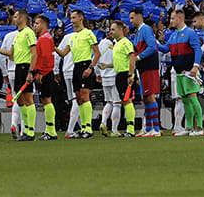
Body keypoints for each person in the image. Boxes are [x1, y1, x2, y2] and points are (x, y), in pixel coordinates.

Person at [0, 9, 36, 140]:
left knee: (28, 99)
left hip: (26, 67)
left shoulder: (28, 33)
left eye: (15, 16)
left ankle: (30, 131)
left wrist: (31, 71)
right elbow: (10, 53)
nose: (13, 19)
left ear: (22, 18)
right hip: (18, 68)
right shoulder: (18, 35)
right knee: (20, 100)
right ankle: (26, 130)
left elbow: (34, 53)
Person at [54, 8, 99, 138]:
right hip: (76, 67)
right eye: (71, 18)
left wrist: (91, 68)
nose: (72, 20)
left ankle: (88, 128)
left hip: (85, 65)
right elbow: (63, 53)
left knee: (85, 97)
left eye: (74, 18)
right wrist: (53, 47)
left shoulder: (88, 33)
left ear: (81, 18)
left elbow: (97, 53)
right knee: (79, 99)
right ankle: (84, 127)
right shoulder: (72, 37)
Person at [160, 9, 204, 136]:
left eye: (173, 18)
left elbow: (198, 50)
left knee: (192, 98)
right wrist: (153, 43)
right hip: (179, 72)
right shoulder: (173, 35)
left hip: (189, 72)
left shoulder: (190, 33)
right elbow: (165, 49)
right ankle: (189, 128)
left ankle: (199, 128)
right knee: (185, 100)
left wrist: (195, 67)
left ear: (180, 19)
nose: (171, 21)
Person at [129, 8, 162, 137]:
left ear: (139, 17)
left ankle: (156, 128)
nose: (131, 21)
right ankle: (149, 128)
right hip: (142, 68)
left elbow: (152, 47)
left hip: (149, 66)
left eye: (132, 18)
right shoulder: (138, 32)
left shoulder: (146, 29)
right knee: (145, 97)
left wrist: (138, 57)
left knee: (150, 96)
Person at [30, 15, 59, 140]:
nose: (35, 26)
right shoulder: (45, 38)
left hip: (45, 73)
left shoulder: (44, 39)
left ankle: (51, 130)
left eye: (37, 23)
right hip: (45, 72)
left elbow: (46, 57)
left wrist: (41, 73)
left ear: (43, 24)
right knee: (45, 100)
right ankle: (50, 129)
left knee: (47, 100)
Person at [110, 20, 138, 137]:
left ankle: (131, 129)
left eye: (113, 29)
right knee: (124, 101)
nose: (111, 32)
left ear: (120, 29)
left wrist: (130, 75)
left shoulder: (126, 42)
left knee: (127, 100)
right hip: (120, 74)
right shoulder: (117, 43)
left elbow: (132, 58)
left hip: (126, 74)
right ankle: (129, 128)